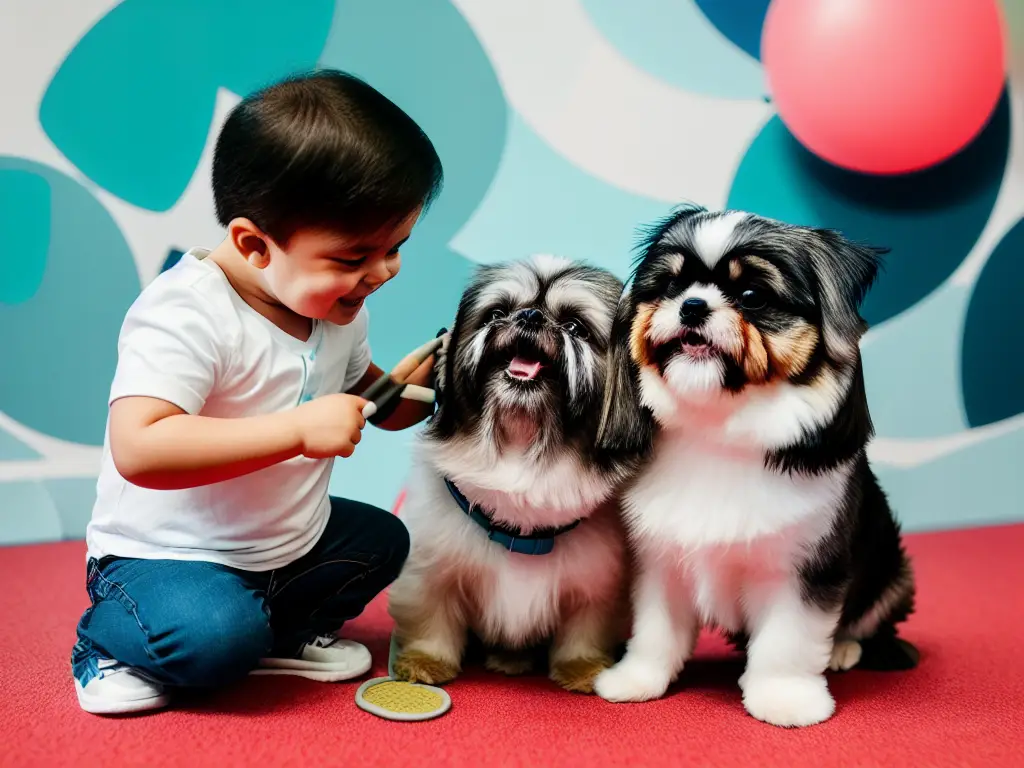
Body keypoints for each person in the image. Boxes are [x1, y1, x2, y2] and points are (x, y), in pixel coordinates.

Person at [71, 69, 443, 715]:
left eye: (396, 247)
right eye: (354, 257)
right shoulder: (185, 313)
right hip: (167, 556)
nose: (382, 273)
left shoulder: (338, 308)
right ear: (253, 243)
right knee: (212, 642)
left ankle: (283, 632)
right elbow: (142, 447)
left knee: (384, 538)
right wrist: (298, 431)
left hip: (285, 545)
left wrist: (425, 384)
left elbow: (371, 401)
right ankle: (106, 644)